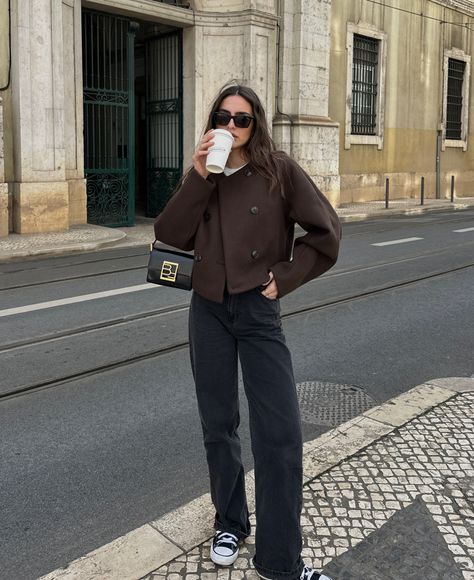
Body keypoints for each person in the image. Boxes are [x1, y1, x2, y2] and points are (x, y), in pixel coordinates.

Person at [154, 84, 341, 580]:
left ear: (255, 124)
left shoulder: (278, 170)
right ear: (212, 120)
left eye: (242, 119)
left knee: (279, 435)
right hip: (209, 311)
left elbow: (327, 232)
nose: (232, 127)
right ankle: (230, 521)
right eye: (223, 117)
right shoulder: (204, 173)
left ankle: (281, 563)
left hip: (258, 313)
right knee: (219, 425)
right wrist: (196, 176)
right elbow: (170, 235)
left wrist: (287, 277)